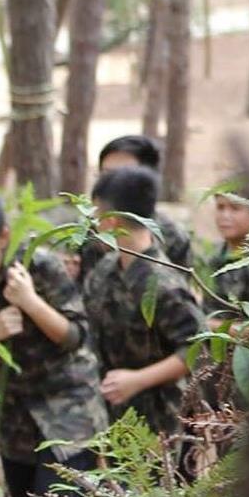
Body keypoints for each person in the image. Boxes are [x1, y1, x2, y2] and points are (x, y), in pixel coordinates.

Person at [0, 186, 105, 497]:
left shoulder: (36, 266)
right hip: (15, 416)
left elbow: (74, 335)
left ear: (3, 237)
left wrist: (30, 302)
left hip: (67, 410)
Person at [83, 166, 206, 446]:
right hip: (107, 415)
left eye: (97, 212)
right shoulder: (105, 269)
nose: (93, 221)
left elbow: (197, 348)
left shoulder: (162, 283)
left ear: (113, 220)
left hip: (157, 421)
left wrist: (138, 380)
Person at [77, 135, 194, 280]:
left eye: (124, 175)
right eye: (106, 175)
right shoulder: (87, 231)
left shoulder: (172, 236)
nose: (113, 184)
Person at [204, 184, 249, 325]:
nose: (225, 216)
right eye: (220, 207)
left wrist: (208, 325)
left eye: (235, 208)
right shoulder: (214, 257)